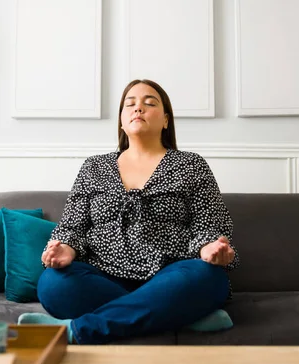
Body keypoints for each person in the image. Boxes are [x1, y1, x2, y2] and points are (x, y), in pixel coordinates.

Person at [18, 79, 239, 344]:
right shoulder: (94, 167)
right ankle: (184, 316)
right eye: (130, 104)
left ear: (166, 120)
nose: (138, 109)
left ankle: (78, 330)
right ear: (122, 121)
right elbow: (71, 226)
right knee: (52, 284)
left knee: (209, 277)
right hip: (101, 275)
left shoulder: (191, 164)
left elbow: (209, 223)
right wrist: (66, 247)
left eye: (150, 103)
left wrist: (208, 248)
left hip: (172, 276)